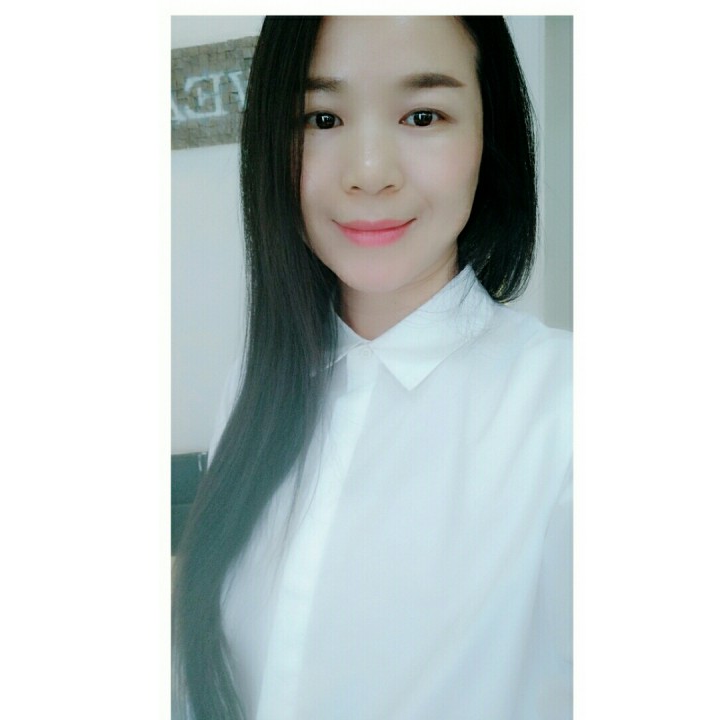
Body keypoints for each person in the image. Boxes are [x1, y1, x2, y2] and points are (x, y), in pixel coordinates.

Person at [173, 16, 572, 720]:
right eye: (322, 118)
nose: (368, 173)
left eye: (423, 116)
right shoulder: (254, 382)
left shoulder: (569, 408)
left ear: (490, 136)